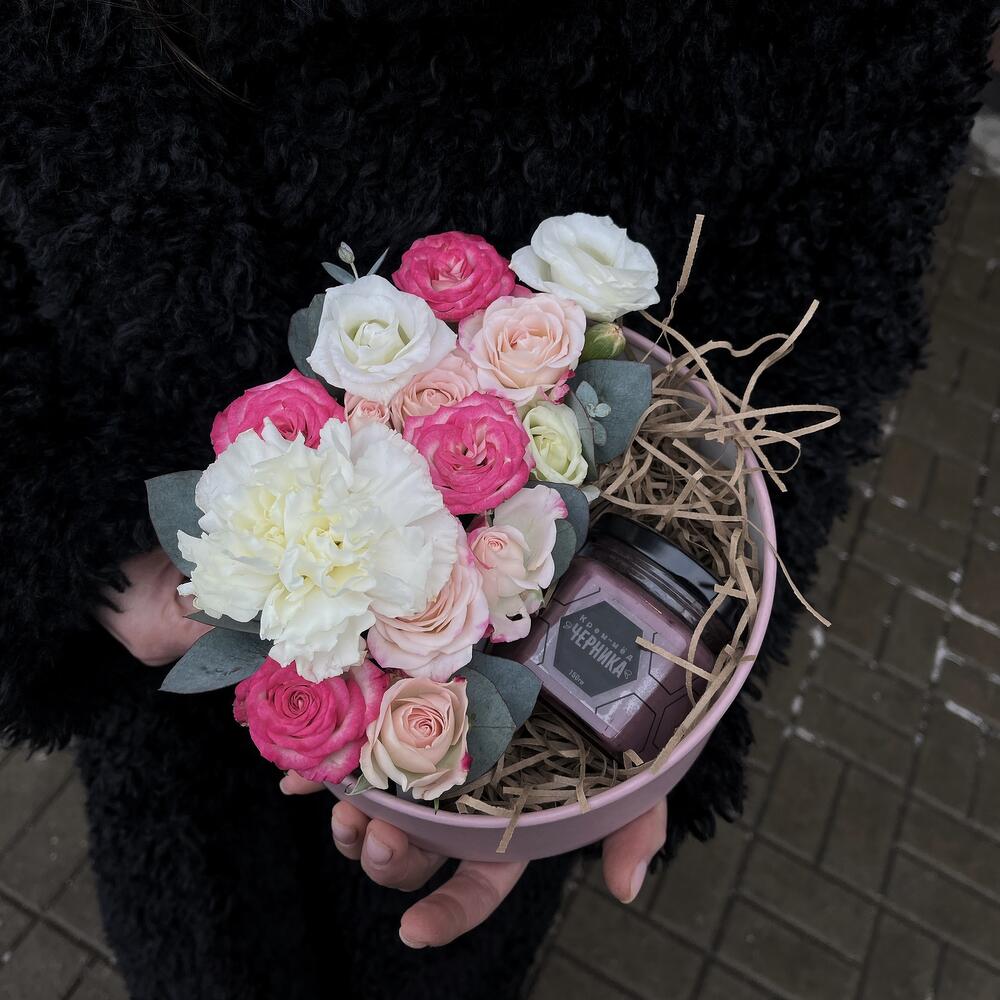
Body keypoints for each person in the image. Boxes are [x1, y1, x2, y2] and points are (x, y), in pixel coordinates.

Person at [1, 3, 991, 998]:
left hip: (542, 656)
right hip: (174, 598)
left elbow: (833, 279)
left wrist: (704, 651)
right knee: (205, 941)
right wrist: (70, 533)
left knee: (439, 962)